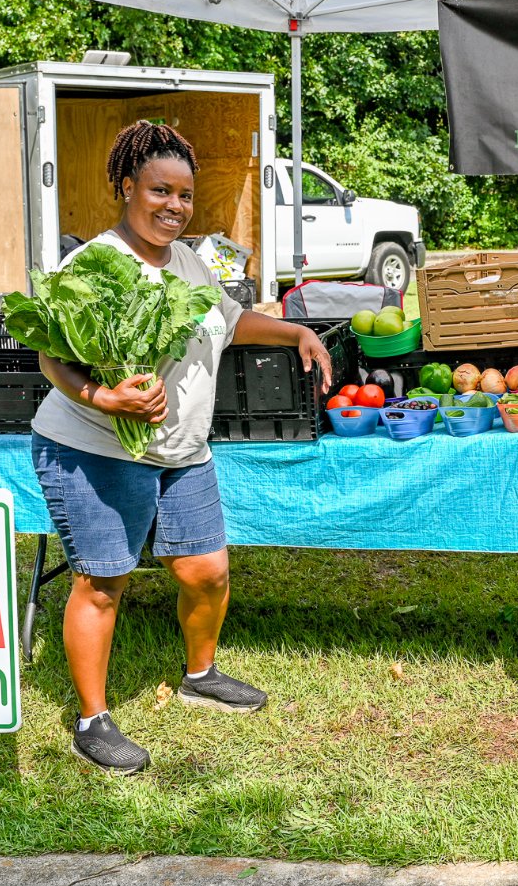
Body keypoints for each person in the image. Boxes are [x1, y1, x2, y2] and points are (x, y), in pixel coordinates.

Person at [31, 120, 333, 774]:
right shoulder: (97, 265)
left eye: (185, 196)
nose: (174, 206)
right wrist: (103, 398)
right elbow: (50, 355)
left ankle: (201, 674)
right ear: (126, 185)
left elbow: (226, 319)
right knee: (103, 580)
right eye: (160, 191)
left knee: (207, 571)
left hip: (182, 450)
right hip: (97, 449)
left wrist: (292, 333)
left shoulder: (188, 260)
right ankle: (92, 719)